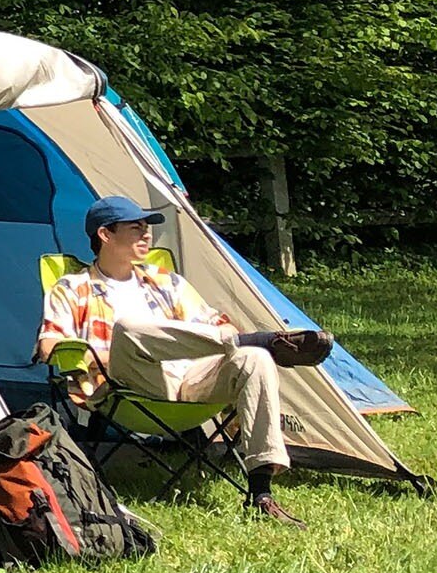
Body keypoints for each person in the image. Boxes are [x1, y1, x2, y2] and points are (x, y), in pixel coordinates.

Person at [36, 196, 335, 525]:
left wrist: (225, 341)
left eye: (147, 228)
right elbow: (49, 346)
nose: (147, 235)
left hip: (190, 378)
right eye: (136, 228)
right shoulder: (74, 287)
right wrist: (98, 353)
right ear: (105, 235)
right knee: (128, 327)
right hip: (129, 384)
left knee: (255, 358)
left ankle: (260, 492)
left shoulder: (167, 282)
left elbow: (217, 326)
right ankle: (259, 339)